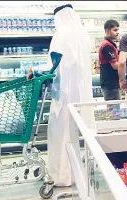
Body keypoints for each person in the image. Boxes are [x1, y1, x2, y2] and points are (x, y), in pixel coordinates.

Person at [28, 4, 93, 187]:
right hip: (79, 93)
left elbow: (53, 64)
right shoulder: (82, 34)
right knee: (72, 135)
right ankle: (74, 174)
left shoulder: (60, 35)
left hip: (64, 93)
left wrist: (34, 69)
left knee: (60, 134)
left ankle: (62, 176)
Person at [99, 19, 121, 120]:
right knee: (114, 114)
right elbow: (115, 65)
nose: (117, 32)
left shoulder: (111, 44)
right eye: (115, 30)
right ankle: (115, 132)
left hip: (112, 84)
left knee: (115, 112)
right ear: (107, 31)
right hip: (110, 85)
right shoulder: (106, 46)